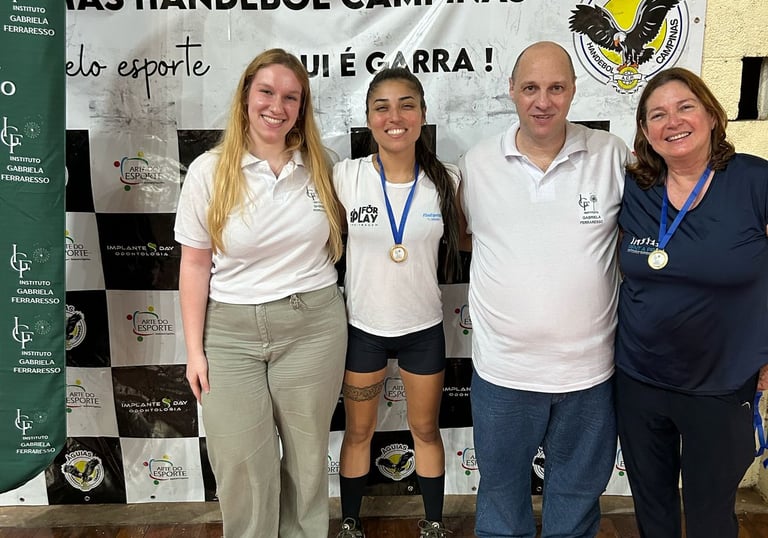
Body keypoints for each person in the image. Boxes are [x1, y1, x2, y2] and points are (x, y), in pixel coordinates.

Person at [459, 41, 629, 537]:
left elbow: (635, 237)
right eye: (531, 87)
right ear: (511, 90)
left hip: (589, 375)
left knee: (575, 504)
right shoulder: (477, 163)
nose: (543, 101)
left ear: (574, 90)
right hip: (504, 374)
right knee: (500, 499)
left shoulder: (612, 155)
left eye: (556, 88)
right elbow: (466, 236)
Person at [174, 49, 347, 538]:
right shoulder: (209, 171)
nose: (277, 106)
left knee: (308, 461)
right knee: (240, 464)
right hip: (229, 334)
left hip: (313, 326)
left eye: (291, 97)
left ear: (302, 106)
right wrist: (194, 351)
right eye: (267, 92)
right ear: (246, 97)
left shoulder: (324, 166)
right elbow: (194, 265)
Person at [615, 67, 768, 538]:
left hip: (721, 386)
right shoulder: (635, 188)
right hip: (639, 379)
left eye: (685, 107)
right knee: (653, 513)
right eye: (657, 115)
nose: (673, 122)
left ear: (712, 115)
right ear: (645, 132)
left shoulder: (754, 180)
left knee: (709, 517)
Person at [333, 67, 462, 538]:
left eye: (407, 105)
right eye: (382, 107)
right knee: (358, 432)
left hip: (422, 331)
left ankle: (433, 524)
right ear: (368, 117)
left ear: (422, 114)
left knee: (425, 431)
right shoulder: (346, 176)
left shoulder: (447, 180)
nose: (395, 117)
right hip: (363, 331)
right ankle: (350, 524)